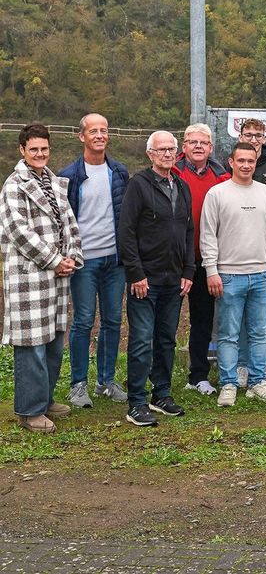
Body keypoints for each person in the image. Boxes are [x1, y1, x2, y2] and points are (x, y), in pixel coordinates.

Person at [0, 124, 82, 433]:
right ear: (22, 150)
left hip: (57, 276)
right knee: (31, 344)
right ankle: (30, 410)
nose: (39, 154)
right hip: (30, 277)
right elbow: (19, 231)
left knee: (53, 341)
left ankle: (44, 400)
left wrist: (71, 256)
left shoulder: (53, 182)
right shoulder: (14, 185)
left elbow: (70, 223)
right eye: (33, 149)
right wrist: (54, 260)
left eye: (44, 149)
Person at [118, 131, 195, 426]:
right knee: (140, 340)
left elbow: (189, 231)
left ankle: (161, 394)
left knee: (166, 339)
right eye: (160, 149)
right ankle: (136, 401)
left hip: (174, 279)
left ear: (177, 154)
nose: (166, 154)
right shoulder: (138, 185)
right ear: (150, 154)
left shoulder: (183, 187)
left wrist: (188, 271)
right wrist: (135, 273)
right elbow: (126, 232)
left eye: (171, 149)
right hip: (145, 280)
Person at [201, 142, 266, 407]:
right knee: (228, 334)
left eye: (251, 160)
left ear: (256, 160)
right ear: (231, 162)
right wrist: (211, 270)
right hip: (227, 276)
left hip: (261, 274)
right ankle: (228, 383)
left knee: (260, 332)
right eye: (241, 161)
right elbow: (208, 236)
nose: (246, 165)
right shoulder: (217, 194)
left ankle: (257, 381)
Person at [59, 114, 129, 408]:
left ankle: (106, 381)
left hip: (114, 260)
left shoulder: (119, 172)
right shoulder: (69, 174)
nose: (99, 135)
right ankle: (78, 385)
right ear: (82, 136)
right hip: (83, 261)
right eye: (93, 131)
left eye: (104, 130)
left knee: (113, 320)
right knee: (84, 321)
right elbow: (61, 219)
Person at [174, 123, 230, 395]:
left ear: (211, 148)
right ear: (183, 147)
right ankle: (156, 377)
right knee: (165, 321)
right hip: (173, 262)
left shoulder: (222, 177)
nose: (198, 146)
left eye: (203, 142)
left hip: (206, 262)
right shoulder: (171, 172)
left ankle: (198, 376)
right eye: (192, 142)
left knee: (203, 321)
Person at [236, 118, 266, 382]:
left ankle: (265, 365)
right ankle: (241, 364)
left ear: (264, 137)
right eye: (248, 134)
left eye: (258, 134)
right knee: (238, 314)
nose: (253, 139)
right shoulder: (233, 164)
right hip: (238, 252)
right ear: (240, 136)